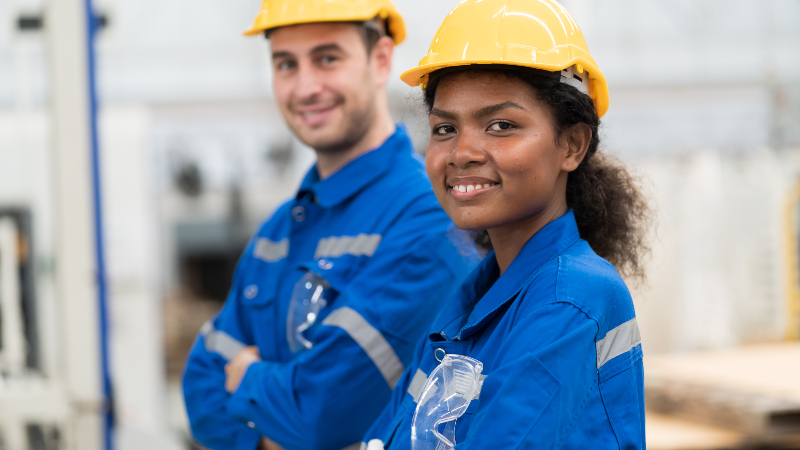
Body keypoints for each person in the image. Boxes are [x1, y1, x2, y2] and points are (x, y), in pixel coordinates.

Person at [181, 1, 477, 449]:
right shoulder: (279, 230)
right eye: (285, 64)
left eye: (327, 58)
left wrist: (247, 381)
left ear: (380, 60)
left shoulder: (428, 217)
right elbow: (200, 384)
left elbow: (321, 413)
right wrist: (268, 438)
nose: (305, 86)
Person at [361, 0, 650, 449]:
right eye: (444, 129)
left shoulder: (570, 299)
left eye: (500, 125)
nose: (462, 152)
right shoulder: (471, 301)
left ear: (572, 145)